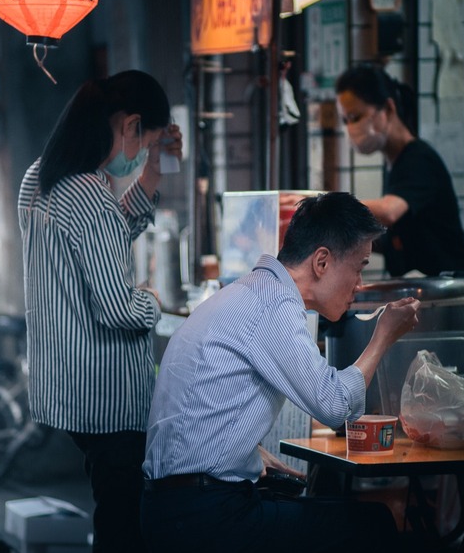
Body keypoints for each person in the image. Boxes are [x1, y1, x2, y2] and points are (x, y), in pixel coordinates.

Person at [141, 192, 420, 553]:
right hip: (201, 516)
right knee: (373, 524)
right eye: (359, 267)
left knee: (329, 508)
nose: (360, 284)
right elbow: (334, 405)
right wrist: (382, 337)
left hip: (175, 506)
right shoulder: (273, 304)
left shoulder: (251, 292)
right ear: (322, 261)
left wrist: (247, 454)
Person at [18, 69, 182, 553]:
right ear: (130, 125)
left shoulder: (40, 177)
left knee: (111, 511)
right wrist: (153, 301)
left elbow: (102, 238)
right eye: (146, 142)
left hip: (67, 386)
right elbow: (118, 308)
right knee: (121, 523)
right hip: (108, 397)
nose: (140, 155)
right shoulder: (89, 194)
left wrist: (154, 169)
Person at [335, 63, 464, 277]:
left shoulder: (419, 159)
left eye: (355, 118)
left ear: (388, 109)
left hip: (451, 294)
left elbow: (389, 211)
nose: (350, 128)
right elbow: (395, 237)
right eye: (345, 121)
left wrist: (327, 207)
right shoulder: (394, 165)